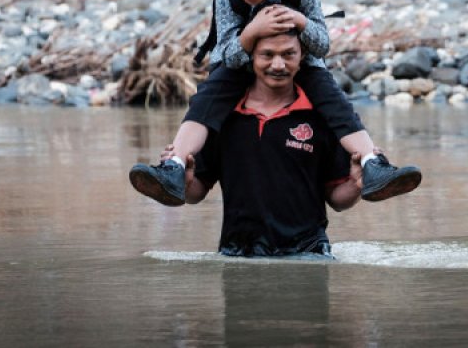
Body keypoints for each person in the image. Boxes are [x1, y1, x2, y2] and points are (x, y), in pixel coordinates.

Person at [130, 0, 420, 206]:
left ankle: (373, 165)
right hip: (238, 62)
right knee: (205, 102)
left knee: (336, 103)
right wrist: (253, 31)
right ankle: (174, 166)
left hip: (300, 62)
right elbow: (228, 55)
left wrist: (301, 21)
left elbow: (322, 46)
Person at [132, 31, 421, 256]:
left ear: (303, 55)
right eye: (267, 55)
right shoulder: (221, 117)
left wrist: (357, 185)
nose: (278, 64)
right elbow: (196, 194)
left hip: (308, 255)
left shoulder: (322, 116)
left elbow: (336, 200)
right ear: (250, 58)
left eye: (288, 54)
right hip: (237, 255)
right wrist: (185, 181)